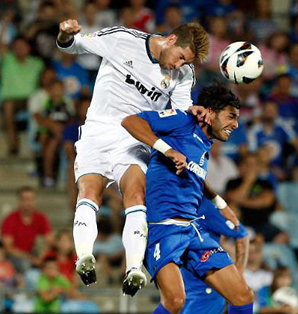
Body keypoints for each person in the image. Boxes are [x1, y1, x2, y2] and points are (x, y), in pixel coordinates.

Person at [56, 19, 232, 295]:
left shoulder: (184, 74)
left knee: (135, 195)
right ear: (171, 40)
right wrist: (65, 34)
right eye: (180, 57)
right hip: (98, 131)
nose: (178, 65)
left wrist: (194, 112)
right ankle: (84, 257)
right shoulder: (122, 39)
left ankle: (134, 268)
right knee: (89, 191)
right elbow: (73, 46)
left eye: (186, 62)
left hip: (135, 137)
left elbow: (183, 110)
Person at [121, 84, 253, 313]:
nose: (236, 124)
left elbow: (195, 177)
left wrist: (220, 204)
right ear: (210, 112)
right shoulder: (182, 122)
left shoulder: (204, 143)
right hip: (162, 229)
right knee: (175, 302)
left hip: (192, 230)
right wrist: (167, 150)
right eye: (231, 116)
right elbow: (130, 122)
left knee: (243, 296)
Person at [181, 198, 250, 314]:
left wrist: (239, 274)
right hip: (182, 290)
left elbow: (241, 235)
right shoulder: (166, 204)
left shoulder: (205, 206)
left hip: (203, 293)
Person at [0, 36, 44, 155]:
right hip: (12, 100)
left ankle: (36, 147)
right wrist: (4, 25)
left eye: (22, 46)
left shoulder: (37, 63)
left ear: (29, 48)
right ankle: (13, 143)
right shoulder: (7, 60)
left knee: (37, 105)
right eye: (16, 47)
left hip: (31, 99)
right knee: (8, 106)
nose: (19, 49)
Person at [0, 186, 53, 273]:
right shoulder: (10, 220)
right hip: (17, 256)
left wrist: (41, 257)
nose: (28, 203)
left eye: (31, 199)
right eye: (25, 199)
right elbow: (8, 248)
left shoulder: (41, 218)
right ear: (19, 201)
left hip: (34, 254)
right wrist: (30, 258)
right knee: (24, 264)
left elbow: (49, 242)